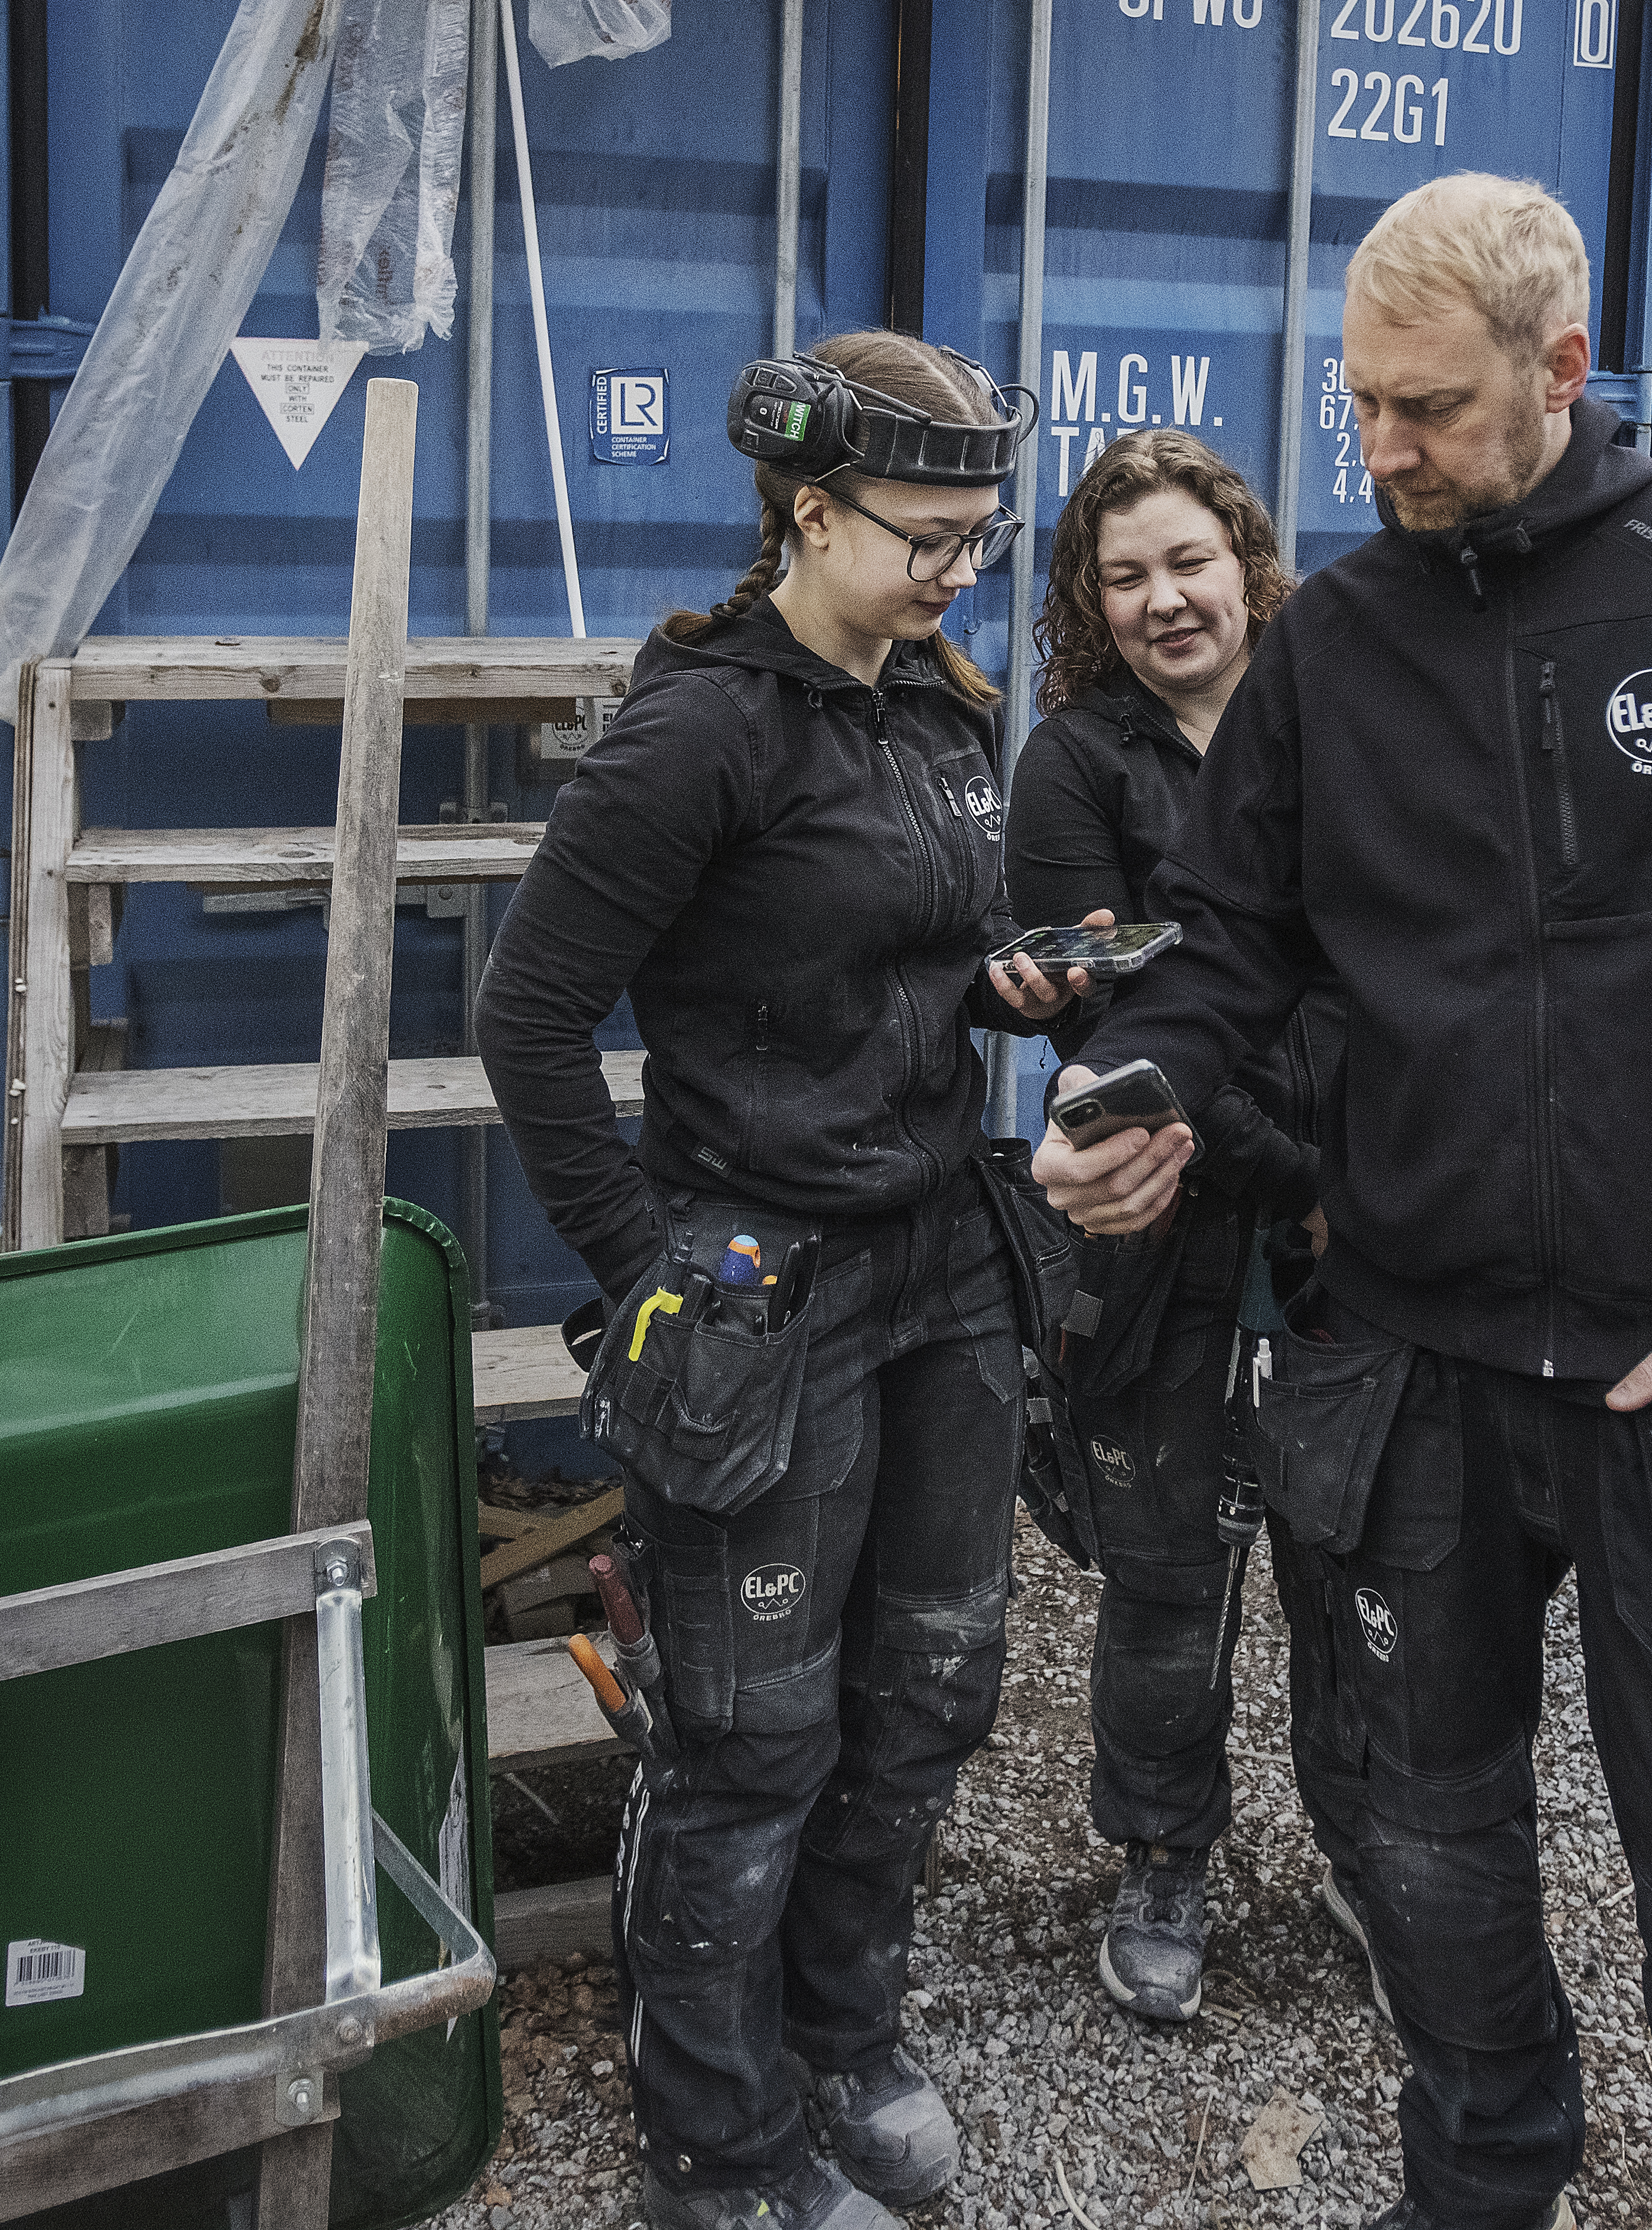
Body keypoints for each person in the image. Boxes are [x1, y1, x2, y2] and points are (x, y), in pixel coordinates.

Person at [1032, 171, 1652, 2230]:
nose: (1377, 454)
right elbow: (1224, 942)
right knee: (1431, 1875)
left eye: (1425, 408)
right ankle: (1481, 2190)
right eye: (1357, 405)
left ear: (1561, 369)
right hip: (1412, 1377)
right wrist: (1133, 1085)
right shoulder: (1333, 645)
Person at [479, 329, 1103, 2230]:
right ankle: (716, 2141)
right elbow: (524, 1020)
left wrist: (1011, 977)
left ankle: (843, 2031)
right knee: (752, 1733)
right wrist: (651, 1271)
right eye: (921, 536)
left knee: (924, 1692)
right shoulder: (695, 731)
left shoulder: (936, 706)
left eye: (977, 540)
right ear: (805, 511)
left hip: (941, 1268)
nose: (951, 571)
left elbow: (918, 942)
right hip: (766, 1289)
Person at [1003, 429, 1367, 2027]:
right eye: (1126, 572)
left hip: (1364, 1229)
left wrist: (1375, 1186)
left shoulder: (1342, 719)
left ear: (1246, 561)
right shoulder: (1074, 765)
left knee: (1359, 1567)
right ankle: (1162, 1853)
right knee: (1166, 1570)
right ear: (1092, 596)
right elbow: (1128, 1041)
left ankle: (1377, 1851)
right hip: (1175, 1236)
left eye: (1189, 562)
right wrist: (1299, 1180)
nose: (1164, 599)